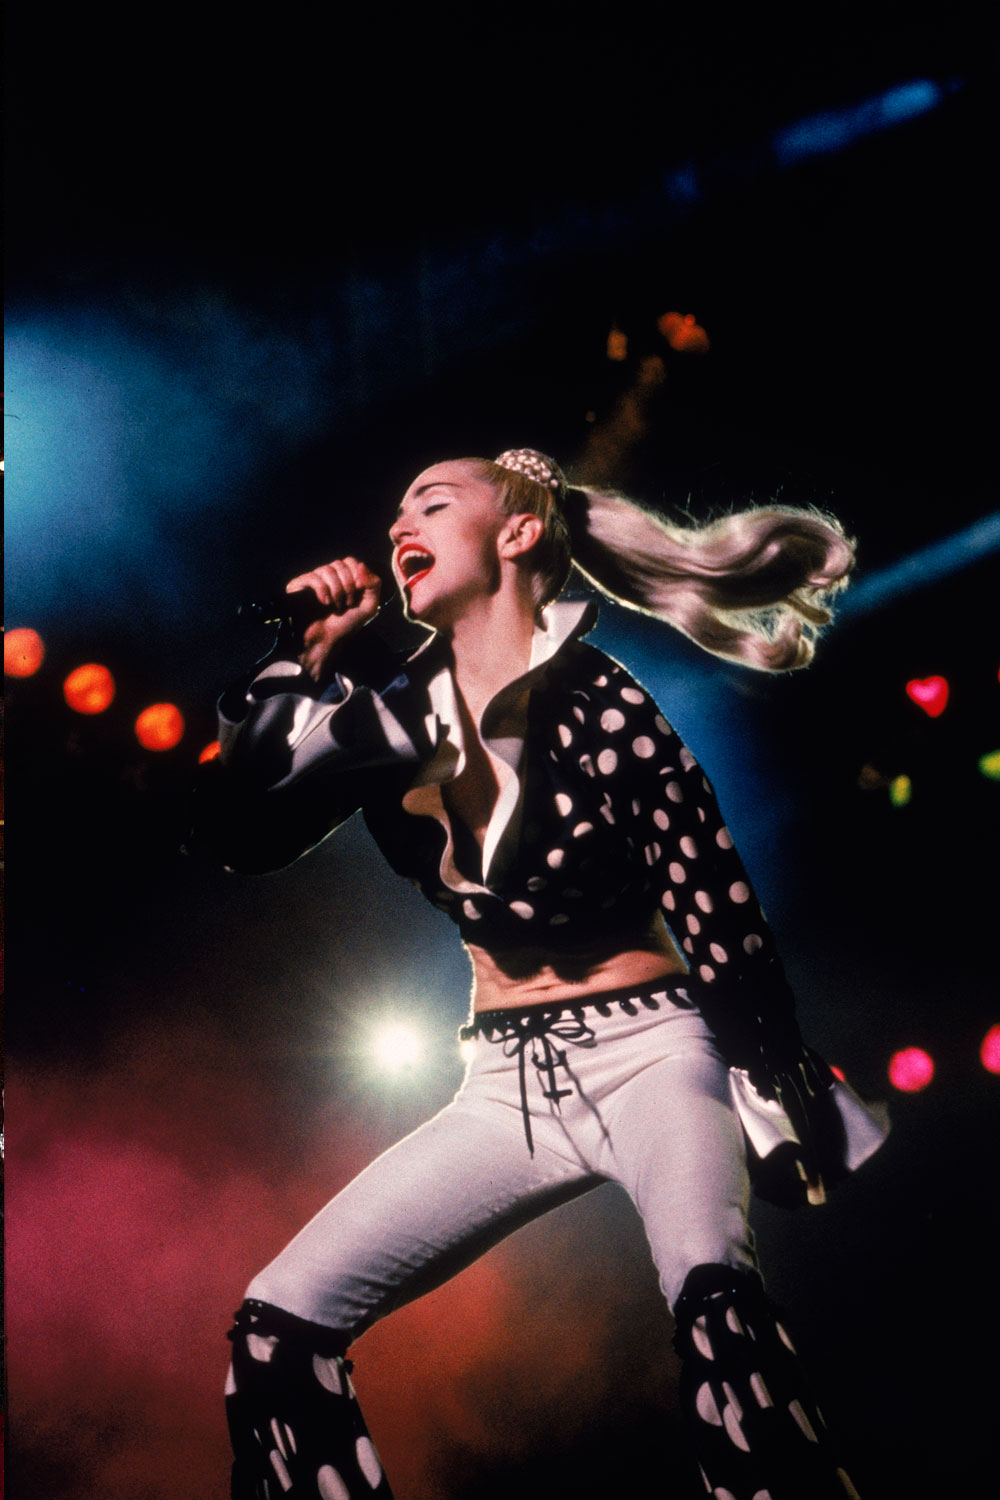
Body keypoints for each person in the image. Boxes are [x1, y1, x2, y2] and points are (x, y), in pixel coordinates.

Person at [191, 448, 886, 1499]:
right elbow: (244, 833)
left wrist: (772, 1086)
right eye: (394, 511)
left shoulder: (604, 708)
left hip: (654, 1056)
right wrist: (306, 659)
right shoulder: (392, 716)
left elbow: (716, 902)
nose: (397, 527)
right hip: (501, 1086)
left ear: (516, 534)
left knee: (720, 1322)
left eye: (430, 502)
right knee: (277, 1329)